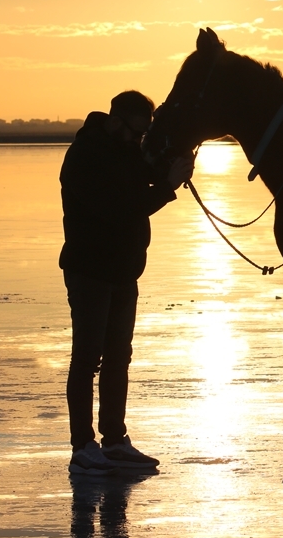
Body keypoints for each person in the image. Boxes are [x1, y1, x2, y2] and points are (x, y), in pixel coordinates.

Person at [59, 90, 193, 475]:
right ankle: (82, 446)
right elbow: (120, 209)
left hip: (123, 271)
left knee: (119, 357)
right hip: (89, 271)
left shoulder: (127, 149)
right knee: (87, 358)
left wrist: (176, 166)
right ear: (116, 121)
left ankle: (114, 440)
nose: (139, 141)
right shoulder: (84, 156)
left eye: (143, 135)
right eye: (136, 133)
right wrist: (166, 189)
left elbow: (145, 177)